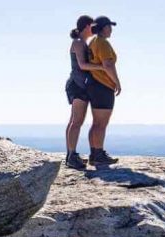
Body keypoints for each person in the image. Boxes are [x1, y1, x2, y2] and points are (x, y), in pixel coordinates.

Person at [86, 16, 121, 166]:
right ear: (102, 28)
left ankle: (94, 153)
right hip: (103, 85)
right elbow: (108, 65)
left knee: (96, 123)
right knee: (101, 124)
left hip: (94, 85)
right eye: (108, 26)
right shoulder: (103, 43)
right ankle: (99, 154)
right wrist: (117, 83)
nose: (111, 29)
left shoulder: (93, 42)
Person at [65, 15, 97, 170]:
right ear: (86, 26)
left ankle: (71, 155)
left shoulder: (82, 42)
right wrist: (103, 67)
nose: (95, 29)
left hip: (80, 86)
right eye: (93, 26)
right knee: (77, 121)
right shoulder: (78, 43)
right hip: (77, 85)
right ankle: (71, 156)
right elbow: (83, 65)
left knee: (74, 120)